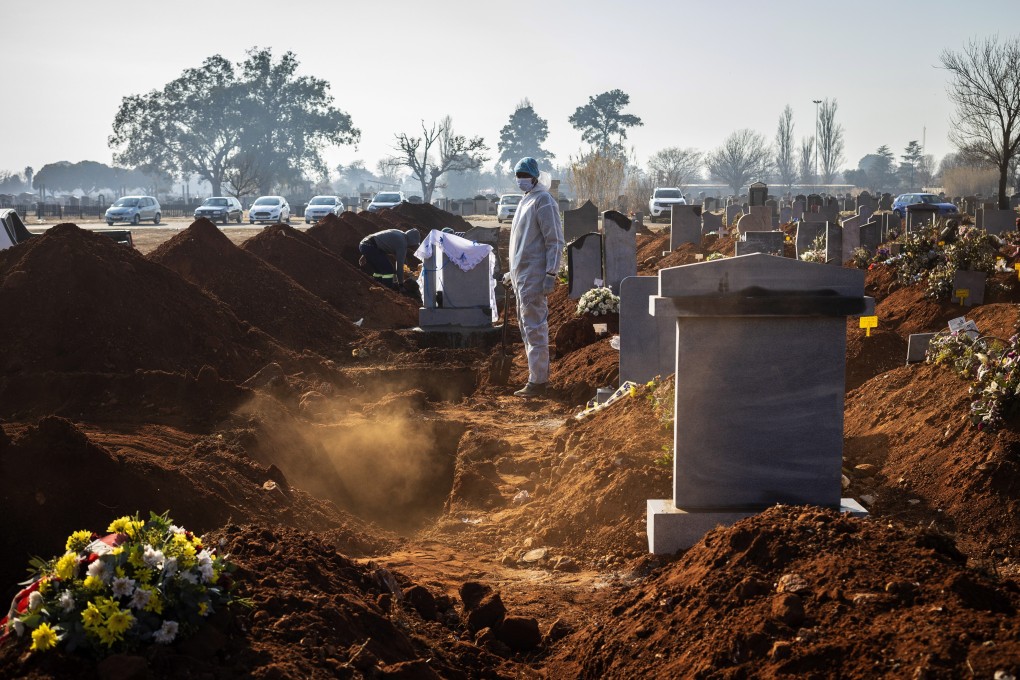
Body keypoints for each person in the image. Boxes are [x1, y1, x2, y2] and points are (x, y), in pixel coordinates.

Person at [508, 157, 564, 398]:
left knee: (535, 327)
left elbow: (554, 240)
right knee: (526, 327)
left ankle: (539, 382)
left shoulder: (543, 201)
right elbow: (520, 243)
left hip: (535, 275)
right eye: (518, 175)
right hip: (522, 275)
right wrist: (511, 272)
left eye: (524, 174)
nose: (521, 179)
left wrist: (551, 272)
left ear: (535, 176)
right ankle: (535, 376)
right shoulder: (526, 201)